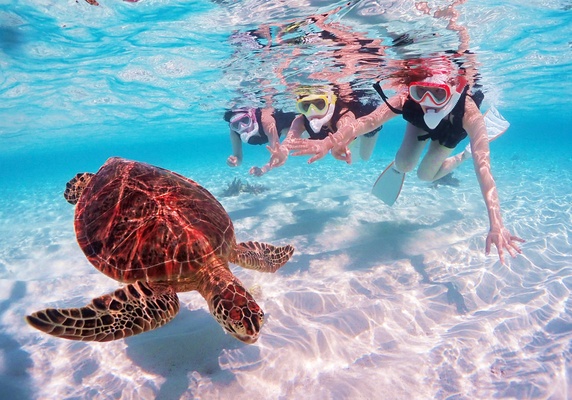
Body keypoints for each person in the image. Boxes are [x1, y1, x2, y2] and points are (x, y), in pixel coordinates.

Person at [288, 59, 524, 264]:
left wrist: (496, 223)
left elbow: (485, 169)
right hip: (419, 125)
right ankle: (406, 163)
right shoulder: (407, 100)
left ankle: (463, 155)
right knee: (403, 164)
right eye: (420, 93)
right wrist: (327, 143)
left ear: (455, 87)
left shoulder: (469, 113)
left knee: (425, 175)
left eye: (438, 94)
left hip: (450, 131)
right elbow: (367, 122)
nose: (428, 102)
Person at [263, 85, 383, 173]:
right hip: (334, 144)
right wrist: (283, 152)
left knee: (365, 157)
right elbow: (289, 140)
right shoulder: (300, 121)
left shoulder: (344, 114)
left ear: (330, 102)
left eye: (319, 104)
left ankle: (371, 135)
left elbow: (346, 129)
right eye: (305, 106)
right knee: (352, 158)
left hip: (363, 131)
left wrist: (327, 144)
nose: (312, 111)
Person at [224, 106, 297, 176]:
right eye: (236, 125)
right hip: (274, 131)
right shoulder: (235, 133)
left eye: (245, 120)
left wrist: (264, 169)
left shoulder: (266, 121)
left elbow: (278, 156)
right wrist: (234, 161)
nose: (242, 127)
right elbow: (238, 158)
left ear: (252, 117)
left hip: (287, 124)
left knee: (298, 143)